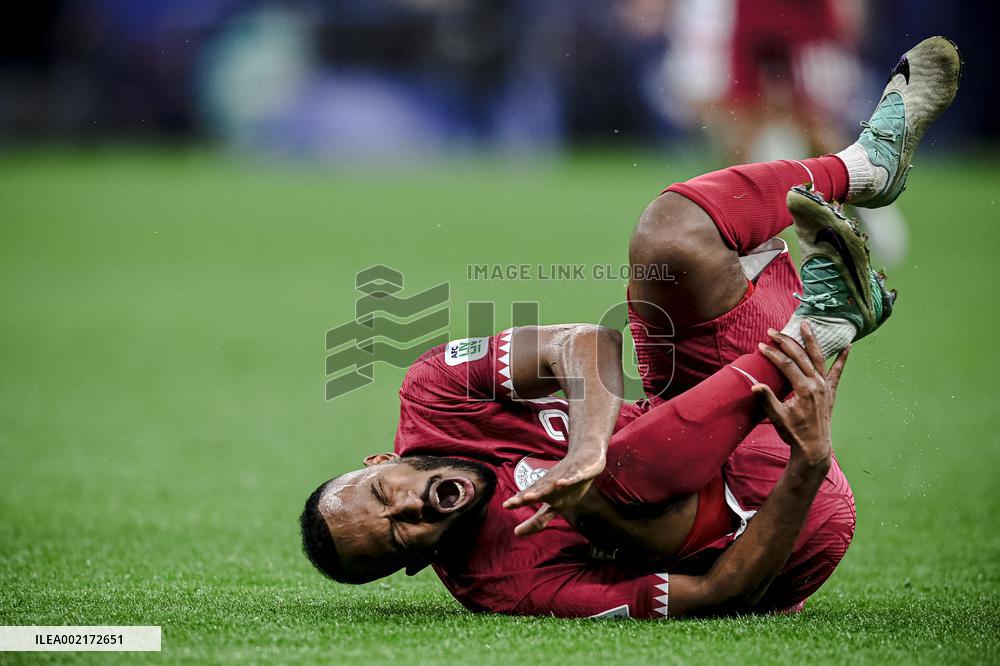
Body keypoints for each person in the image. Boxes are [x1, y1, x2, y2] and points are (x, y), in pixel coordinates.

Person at [299, 38, 960, 618]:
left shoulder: (432, 396)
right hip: (782, 521)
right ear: (416, 564)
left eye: (386, 494)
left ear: (382, 462)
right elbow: (719, 594)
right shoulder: (504, 582)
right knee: (601, 493)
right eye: (398, 535)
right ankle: (817, 330)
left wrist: (585, 447)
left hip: (714, 419)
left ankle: (862, 172)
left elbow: (586, 342)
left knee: (668, 237)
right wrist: (806, 469)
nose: (410, 509)